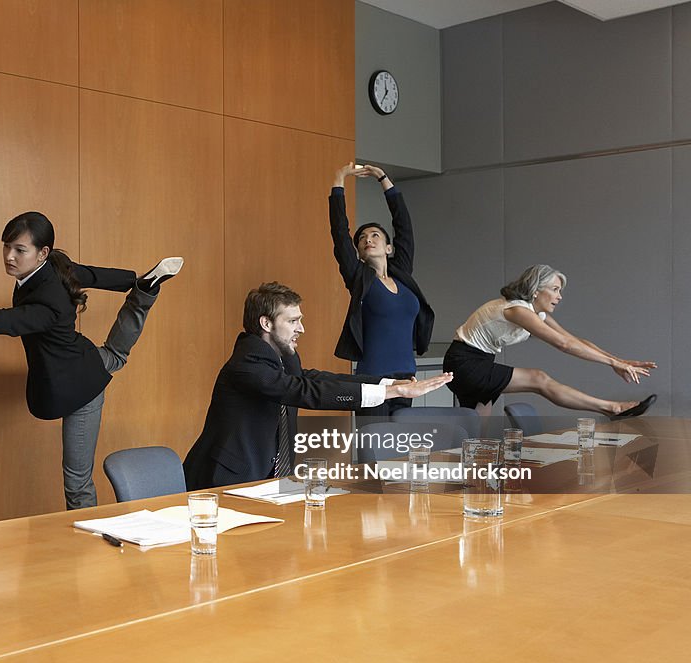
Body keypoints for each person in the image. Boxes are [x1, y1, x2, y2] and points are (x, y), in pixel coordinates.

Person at [0, 211, 182, 509]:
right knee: (114, 356)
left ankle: (89, 549)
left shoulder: (49, 301)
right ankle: (145, 288)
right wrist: (133, 279)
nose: (9, 256)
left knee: (77, 482)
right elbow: (90, 274)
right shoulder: (54, 265)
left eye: (19, 250)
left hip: (80, 389)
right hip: (80, 358)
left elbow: (3, 321)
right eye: (6, 246)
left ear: (42, 253)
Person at [183, 282, 452, 490]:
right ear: (266, 323)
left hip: (263, 480)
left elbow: (316, 380)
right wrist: (392, 393)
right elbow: (304, 392)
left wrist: (390, 382)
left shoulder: (282, 356)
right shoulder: (248, 362)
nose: (302, 328)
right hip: (224, 481)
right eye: (292, 321)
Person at [443, 264, 657, 419]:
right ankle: (613, 408)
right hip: (465, 363)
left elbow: (573, 340)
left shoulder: (533, 313)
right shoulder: (517, 310)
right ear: (536, 290)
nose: (560, 296)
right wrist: (613, 364)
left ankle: (468, 479)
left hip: (479, 362)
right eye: (555, 289)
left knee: (476, 438)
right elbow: (563, 345)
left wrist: (620, 361)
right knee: (539, 379)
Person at [329, 163, 435, 417]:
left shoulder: (403, 275)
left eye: (375, 235)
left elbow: (404, 227)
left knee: (399, 449)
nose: (368, 239)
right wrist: (339, 180)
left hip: (407, 377)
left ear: (388, 248)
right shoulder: (359, 277)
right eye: (363, 238)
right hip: (373, 379)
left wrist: (384, 180)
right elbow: (340, 232)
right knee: (374, 446)